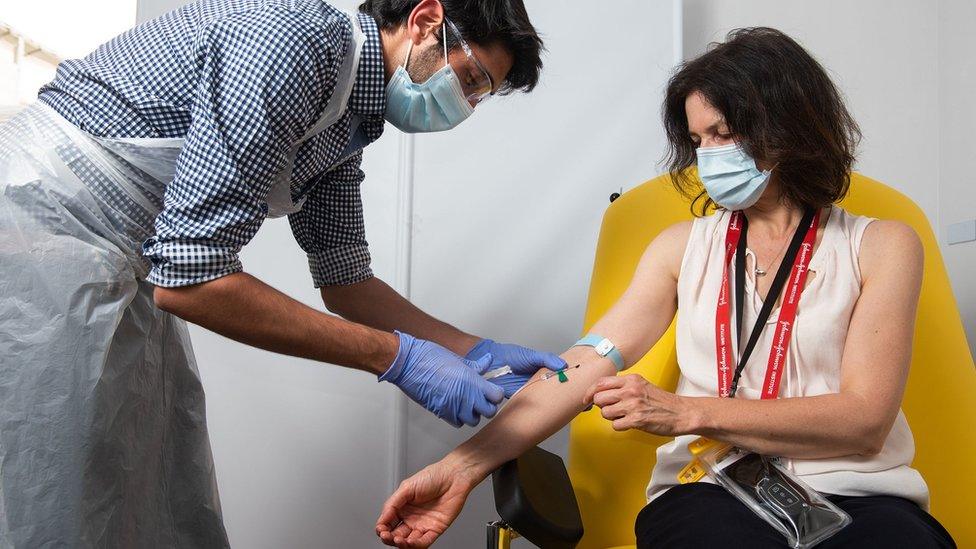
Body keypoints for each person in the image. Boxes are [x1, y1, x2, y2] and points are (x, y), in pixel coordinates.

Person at [0, 0, 565, 546]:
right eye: (470, 79)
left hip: (124, 257)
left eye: (479, 95)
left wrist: (473, 351)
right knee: (50, 484)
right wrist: (397, 358)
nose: (464, 105)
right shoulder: (294, 45)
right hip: (42, 230)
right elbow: (192, 281)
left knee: (155, 473)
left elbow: (347, 280)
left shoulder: (351, 120)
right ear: (424, 21)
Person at [375, 28, 956, 548]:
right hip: (713, 486)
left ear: (788, 125)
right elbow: (582, 367)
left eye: (724, 133)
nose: (707, 157)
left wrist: (684, 411)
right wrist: (460, 467)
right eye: (698, 139)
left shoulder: (881, 245)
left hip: (859, 493)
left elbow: (864, 419)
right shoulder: (683, 249)